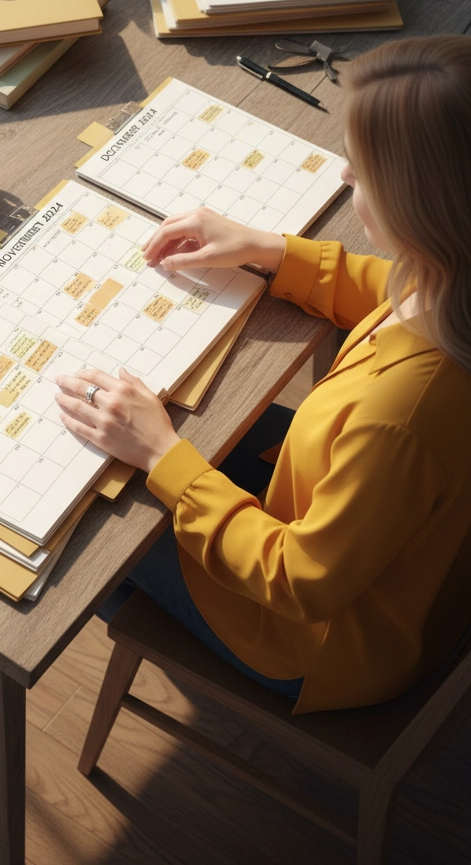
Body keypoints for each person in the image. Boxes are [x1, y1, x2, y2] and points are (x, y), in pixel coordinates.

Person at [54, 35, 471, 713]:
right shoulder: (453, 284)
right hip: (392, 558)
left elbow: (301, 580)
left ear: (422, 207)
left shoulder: (402, 416)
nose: (341, 176)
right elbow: (398, 287)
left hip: (319, 643)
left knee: (89, 538)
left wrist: (162, 453)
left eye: (361, 171)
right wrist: (273, 251)